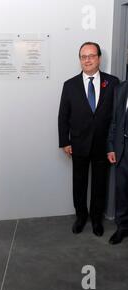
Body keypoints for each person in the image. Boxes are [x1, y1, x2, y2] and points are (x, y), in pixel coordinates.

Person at [58, 42, 119, 236]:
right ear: (80, 60)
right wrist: (65, 142)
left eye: (91, 56)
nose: (87, 60)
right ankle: (81, 217)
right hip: (78, 143)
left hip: (103, 144)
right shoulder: (70, 85)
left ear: (99, 58)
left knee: (100, 184)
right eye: (83, 56)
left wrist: (113, 145)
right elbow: (63, 116)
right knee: (79, 183)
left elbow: (116, 117)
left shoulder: (112, 82)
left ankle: (96, 220)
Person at [107, 81, 128, 244]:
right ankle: (122, 228)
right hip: (123, 148)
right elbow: (113, 121)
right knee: (121, 191)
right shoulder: (120, 89)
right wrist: (111, 147)